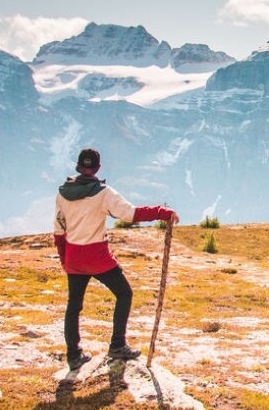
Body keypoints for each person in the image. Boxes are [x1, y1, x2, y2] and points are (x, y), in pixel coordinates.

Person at [53, 147, 179, 370]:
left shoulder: (62, 193)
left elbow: (59, 232)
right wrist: (162, 212)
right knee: (124, 293)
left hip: (74, 257)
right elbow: (131, 214)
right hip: (97, 257)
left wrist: (65, 260)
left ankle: (73, 355)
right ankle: (117, 345)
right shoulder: (103, 193)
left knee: (74, 305)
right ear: (98, 168)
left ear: (78, 166)